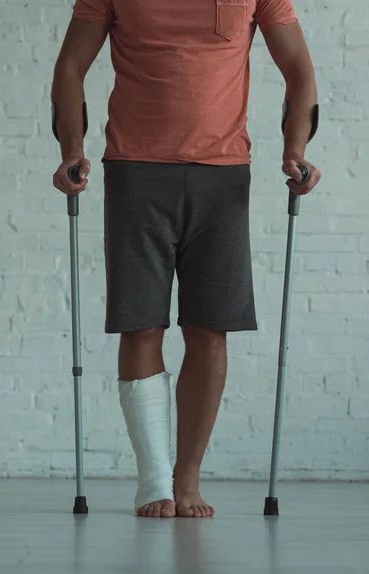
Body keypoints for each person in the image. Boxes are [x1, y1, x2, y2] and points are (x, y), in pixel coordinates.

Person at [51, 0, 321, 519]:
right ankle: (153, 480)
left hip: (222, 174)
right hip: (134, 168)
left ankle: (187, 478)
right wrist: (71, 148)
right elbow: (70, 66)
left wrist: (295, 149)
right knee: (140, 324)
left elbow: (299, 69)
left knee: (208, 327)